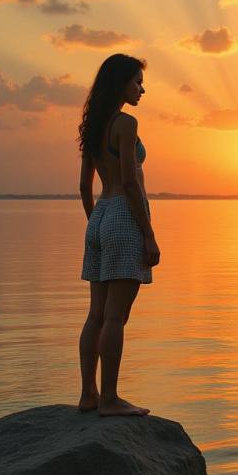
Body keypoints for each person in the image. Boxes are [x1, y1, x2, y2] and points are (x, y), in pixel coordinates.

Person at [76, 54, 160, 416]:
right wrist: (148, 234)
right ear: (120, 83)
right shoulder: (126, 123)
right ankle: (109, 400)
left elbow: (84, 186)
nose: (142, 88)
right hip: (124, 215)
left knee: (96, 314)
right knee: (115, 317)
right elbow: (129, 181)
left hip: (99, 218)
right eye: (136, 82)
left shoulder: (93, 125)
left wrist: (98, 224)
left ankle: (88, 395)